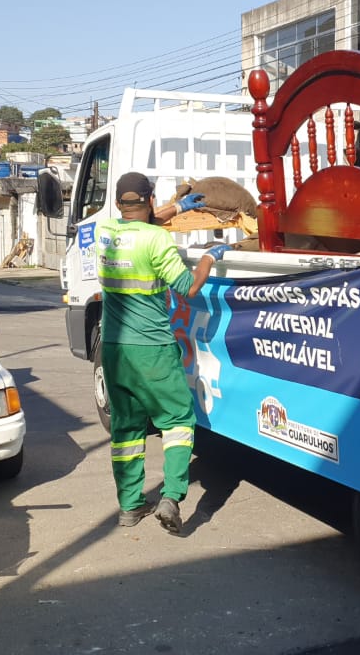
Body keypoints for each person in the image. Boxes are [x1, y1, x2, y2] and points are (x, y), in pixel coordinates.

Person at [97, 172, 228, 533]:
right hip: (152, 349)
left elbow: (139, 226)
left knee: (126, 429)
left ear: (119, 203)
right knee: (177, 421)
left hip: (114, 349)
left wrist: (178, 208)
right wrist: (209, 258)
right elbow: (189, 287)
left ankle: (130, 506)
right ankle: (171, 497)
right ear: (150, 199)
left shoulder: (105, 233)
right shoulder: (157, 240)